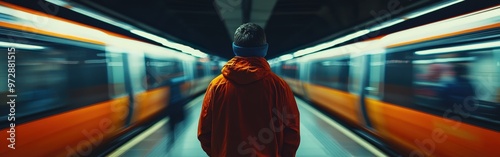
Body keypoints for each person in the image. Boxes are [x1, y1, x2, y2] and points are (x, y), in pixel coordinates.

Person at [197, 23, 300, 157]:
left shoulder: (216, 86)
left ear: (235, 48)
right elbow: (292, 131)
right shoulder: (279, 86)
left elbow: (204, 132)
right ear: (264, 49)